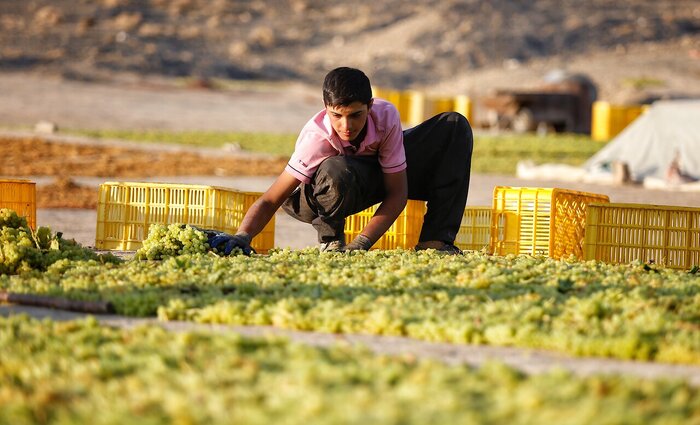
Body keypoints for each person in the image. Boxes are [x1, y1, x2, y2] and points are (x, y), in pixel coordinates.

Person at [209, 67, 473, 255]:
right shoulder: (316, 137)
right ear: (326, 109)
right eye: (337, 116)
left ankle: (435, 242)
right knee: (337, 169)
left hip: (371, 177)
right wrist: (243, 235)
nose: (347, 126)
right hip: (319, 196)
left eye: (356, 115)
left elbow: (397, 193)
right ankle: (330, 240)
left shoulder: (386, 116)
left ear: (370, 106)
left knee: (453, 126)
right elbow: (271, 199)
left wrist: (361, 243)